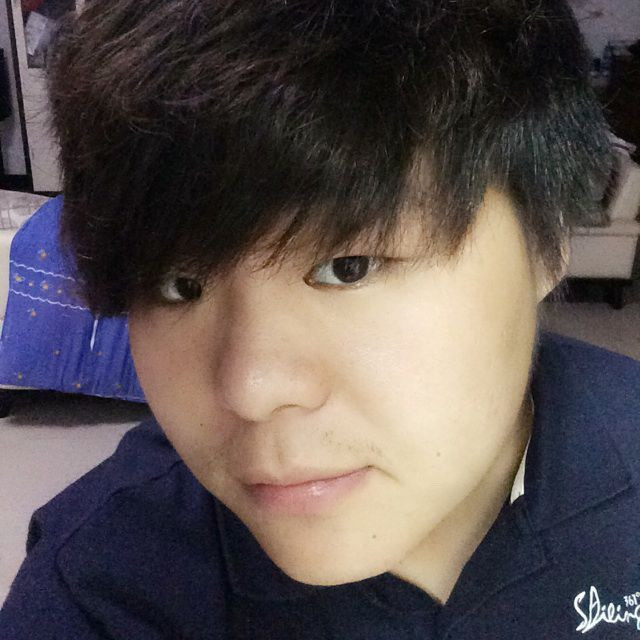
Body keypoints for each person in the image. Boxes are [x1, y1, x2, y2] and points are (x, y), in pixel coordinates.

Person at [2, 0, 639, 637]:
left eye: (348, 267)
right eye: (179, 286)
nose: (250, 390)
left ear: (548, 239)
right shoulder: (98, 594)